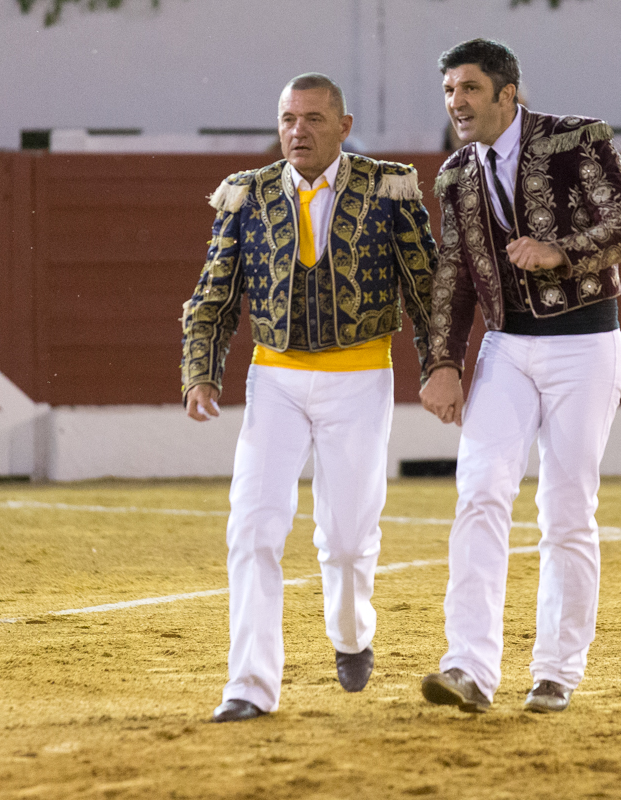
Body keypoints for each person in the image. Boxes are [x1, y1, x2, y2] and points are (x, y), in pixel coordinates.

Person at [181, 73, 438, 722]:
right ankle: (250, 685)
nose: (299, 130)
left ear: (344, 127)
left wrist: (441, 365)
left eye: (315, 119)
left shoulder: (388, 186)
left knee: (348, 541)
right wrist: (200, 370)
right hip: (275, 381)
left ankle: (352, 634)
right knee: (252, 527)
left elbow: (426, 287)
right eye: (289, 118)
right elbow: (213, 293)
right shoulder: (247, 195)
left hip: (359, 379)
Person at [419, 38, 621, 714]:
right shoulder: (457, 174)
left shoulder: (575, 142)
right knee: (480, 492)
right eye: (449, 92)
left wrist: (562, 252)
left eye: (468, 89)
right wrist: (441, 362)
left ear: (507, 94)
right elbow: (453, 279)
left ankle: (556, 670)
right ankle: (467, 668)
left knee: (567, 508)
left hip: (585, 343)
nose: (456, 102)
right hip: (508, 349)